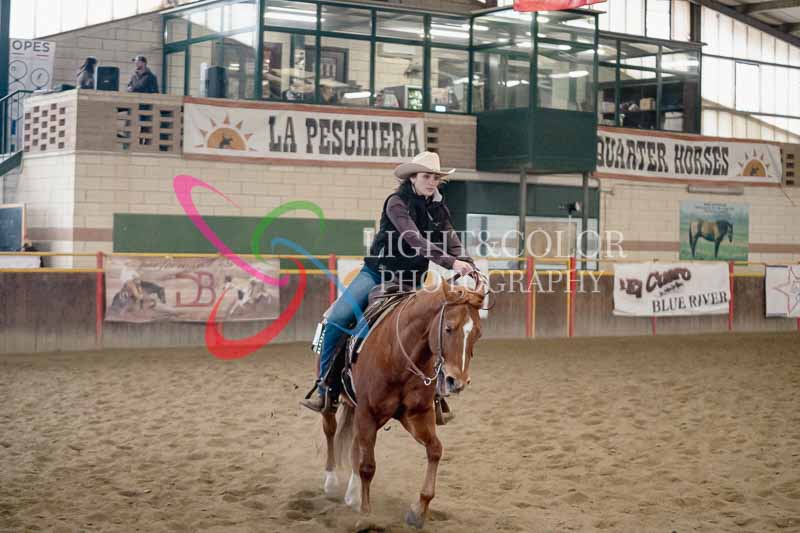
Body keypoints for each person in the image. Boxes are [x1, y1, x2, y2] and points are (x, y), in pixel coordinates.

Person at [301, 151, 474, 413]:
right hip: (377, 275)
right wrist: (452, 263)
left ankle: (435, 394)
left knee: (433, 332)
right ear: (412, 178)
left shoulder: (438, 208)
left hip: (411, 283)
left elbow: (451, 238)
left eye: (435, 178)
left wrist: (466, 261)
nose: (431, 182)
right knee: (337, 318)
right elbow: (414, 239)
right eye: (426, 176)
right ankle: (326, 388)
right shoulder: (397, 203)